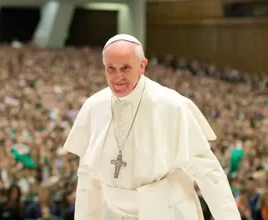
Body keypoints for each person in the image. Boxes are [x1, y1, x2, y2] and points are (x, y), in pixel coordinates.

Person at [63, 34, 241, 220]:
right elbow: (88, 178)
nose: (118, 77)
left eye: (125, 68)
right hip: (113, 213)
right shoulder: (94, 106)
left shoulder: (172, 105)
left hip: (167, 212)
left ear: (142, 65)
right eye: (111, 69)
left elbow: (209, 173)